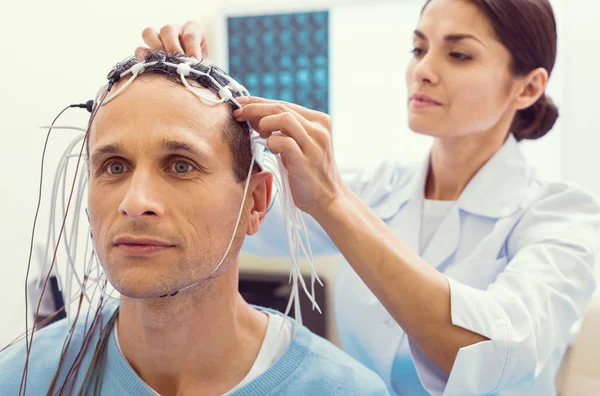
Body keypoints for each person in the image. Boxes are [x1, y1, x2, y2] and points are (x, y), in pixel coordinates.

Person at [145, 0, 600, 394]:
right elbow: (238, 218)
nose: (423, 70)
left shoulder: (560, 216)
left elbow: (491, 353)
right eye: (419, 49)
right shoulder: (381, 188)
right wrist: (184, 94)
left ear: (528, 87)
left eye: (459, 54)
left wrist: (334, 202)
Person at [0, 53, 389, 396]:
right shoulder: (21, 378)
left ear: (255, 202)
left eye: (181, 166)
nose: (135, 203)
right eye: (114, 166)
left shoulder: (343, 389)